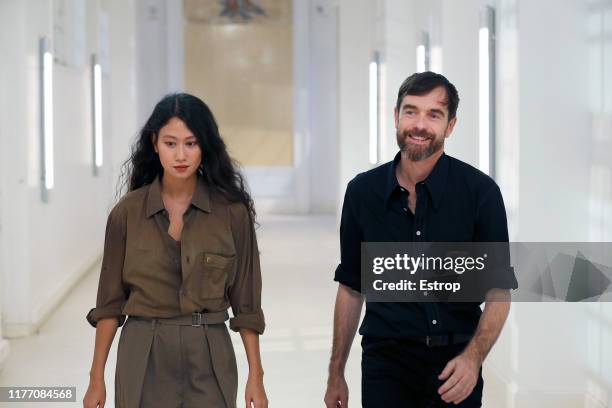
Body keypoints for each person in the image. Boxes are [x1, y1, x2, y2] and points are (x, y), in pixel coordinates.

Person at [324, 72, 518, 407]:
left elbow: (499, 291)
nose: (419, 125)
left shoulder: (480, 193)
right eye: (411, 111)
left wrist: (473, 359)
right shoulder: (362, 192)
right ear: (395, 116)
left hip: (455, 365)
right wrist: (336, 372)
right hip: (385, 361)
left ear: (450, 125)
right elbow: (351, 285)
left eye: (434, 114)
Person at [83, 93, 268, 408]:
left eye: (191, 143)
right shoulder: (126, 214)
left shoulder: (232, 213)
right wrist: (96, 378)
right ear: (155, 143)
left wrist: (256, 375)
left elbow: (246, 301)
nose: (180, 155)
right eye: (170, 143)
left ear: (204, 147)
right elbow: (109, 305)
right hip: (143, 351)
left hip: (210, 350)